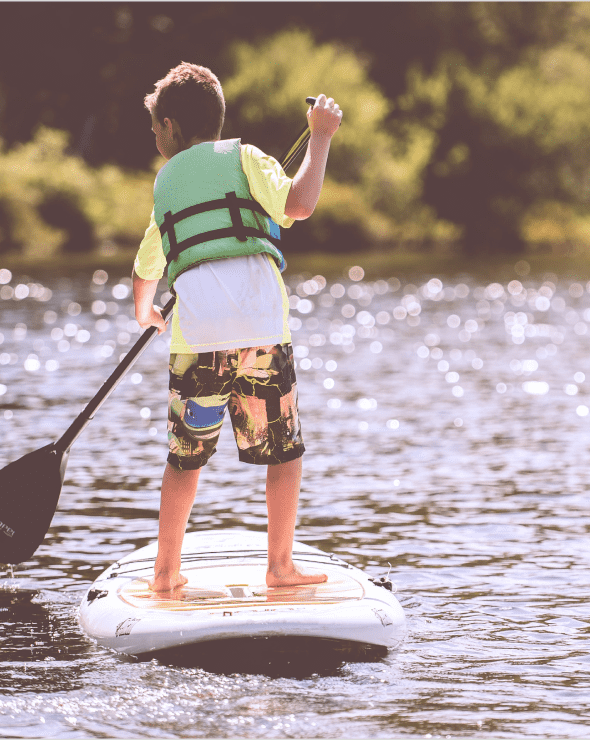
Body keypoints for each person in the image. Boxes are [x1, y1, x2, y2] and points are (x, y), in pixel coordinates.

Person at [129, 62, 341, 593]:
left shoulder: (166, 183)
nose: (155, 137)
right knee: (284, 453)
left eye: (156, 128)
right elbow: (300, 203)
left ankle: (165, 574)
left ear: (172, 127)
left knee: (185, 460)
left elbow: (147, 266)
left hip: (198, 341)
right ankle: (280, 568)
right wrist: (319, 140)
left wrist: (145, 312)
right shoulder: (246, 158)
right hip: (262, 334)